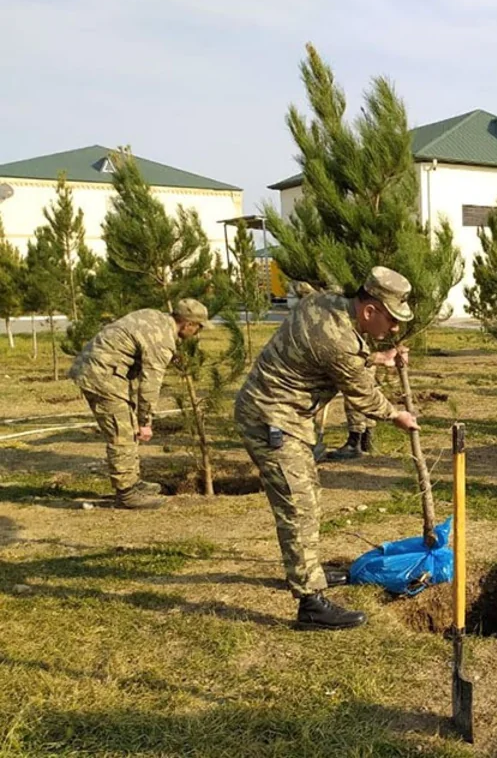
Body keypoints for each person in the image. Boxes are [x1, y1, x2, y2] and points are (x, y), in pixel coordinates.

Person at [235, 267, 420, 630]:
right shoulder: (338, 342)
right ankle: (310, 604)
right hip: (273, 419)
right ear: (369, 311)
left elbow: (344, 353)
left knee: (308, 498)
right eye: (393, 319)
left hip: (283, 416)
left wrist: (377, 358)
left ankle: (308, 571)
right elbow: (364, 395)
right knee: (298, 505)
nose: (395, 329)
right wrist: (396, 414)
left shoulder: (328, 303)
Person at [68, 299, 209, 509]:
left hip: (105, 371)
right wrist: (145, 421)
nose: (197, 333)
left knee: (126, 425)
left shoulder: (155, 317)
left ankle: (132, 482)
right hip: (101, 375)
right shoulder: (162, 338)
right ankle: (126, 495)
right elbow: (150, 384)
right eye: (198, 328)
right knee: (122, 432)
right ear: (188, 324)